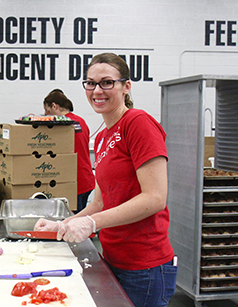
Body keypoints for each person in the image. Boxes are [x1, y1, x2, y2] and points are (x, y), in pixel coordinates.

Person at [35, 53, 177, 307]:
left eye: (106, 82)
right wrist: (64, 224)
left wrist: (91, 223)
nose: (97, 90)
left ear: (126, 86)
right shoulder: (101, 138)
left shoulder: (138, 123)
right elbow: (100, 203)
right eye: (90, 83)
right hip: (113, 258)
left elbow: (155, 198)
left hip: (144, 266)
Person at [43, 89, 95, 212]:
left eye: (47, 110)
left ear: (54, 106)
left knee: (72, 222)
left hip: (72, 183)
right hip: (87, 180)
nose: (45, 114)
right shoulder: (81, 121)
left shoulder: (62, 125)